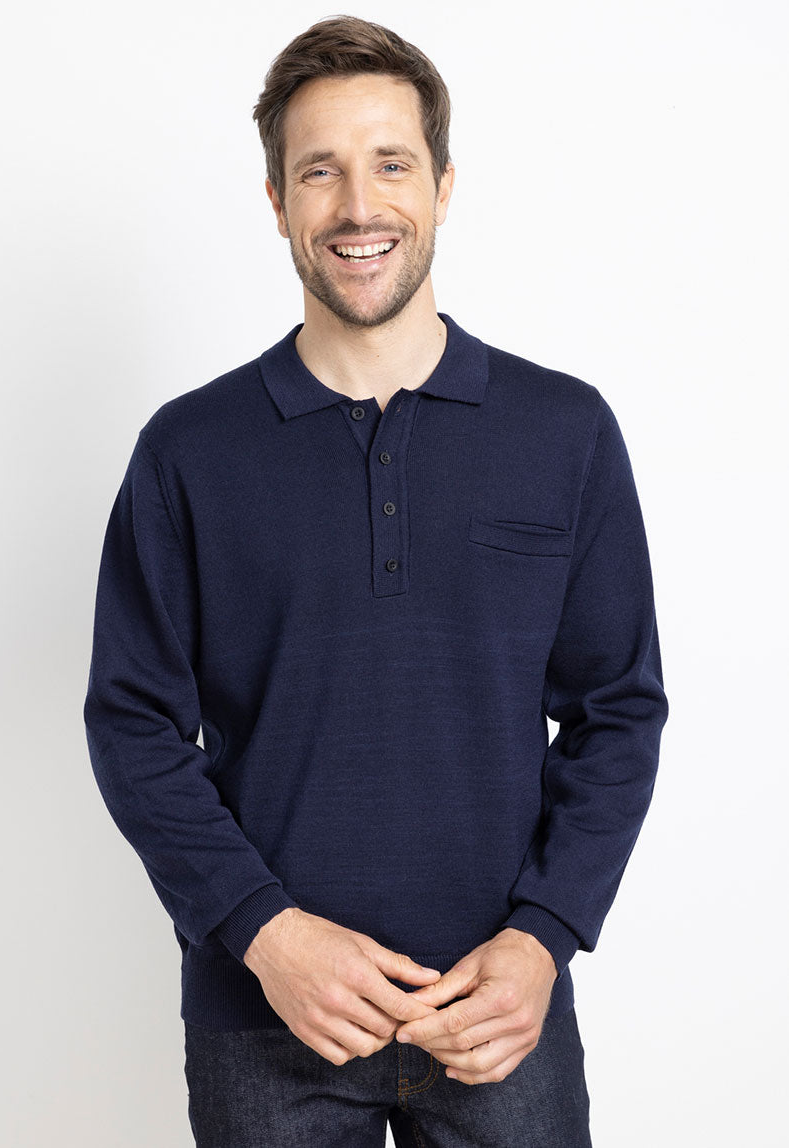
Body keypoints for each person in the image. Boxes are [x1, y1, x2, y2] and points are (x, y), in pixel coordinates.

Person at [83, 14, 669, 1147]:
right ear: (277, 201)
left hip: (499, 1014)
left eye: (391, 164)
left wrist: (543, 935)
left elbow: (619, 709)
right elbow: (133, 724)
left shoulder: (563, 432)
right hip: (267, 1025)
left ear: (443, 187)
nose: (359, 206)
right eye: (321, 171)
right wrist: (264, 933)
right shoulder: (188, 452)